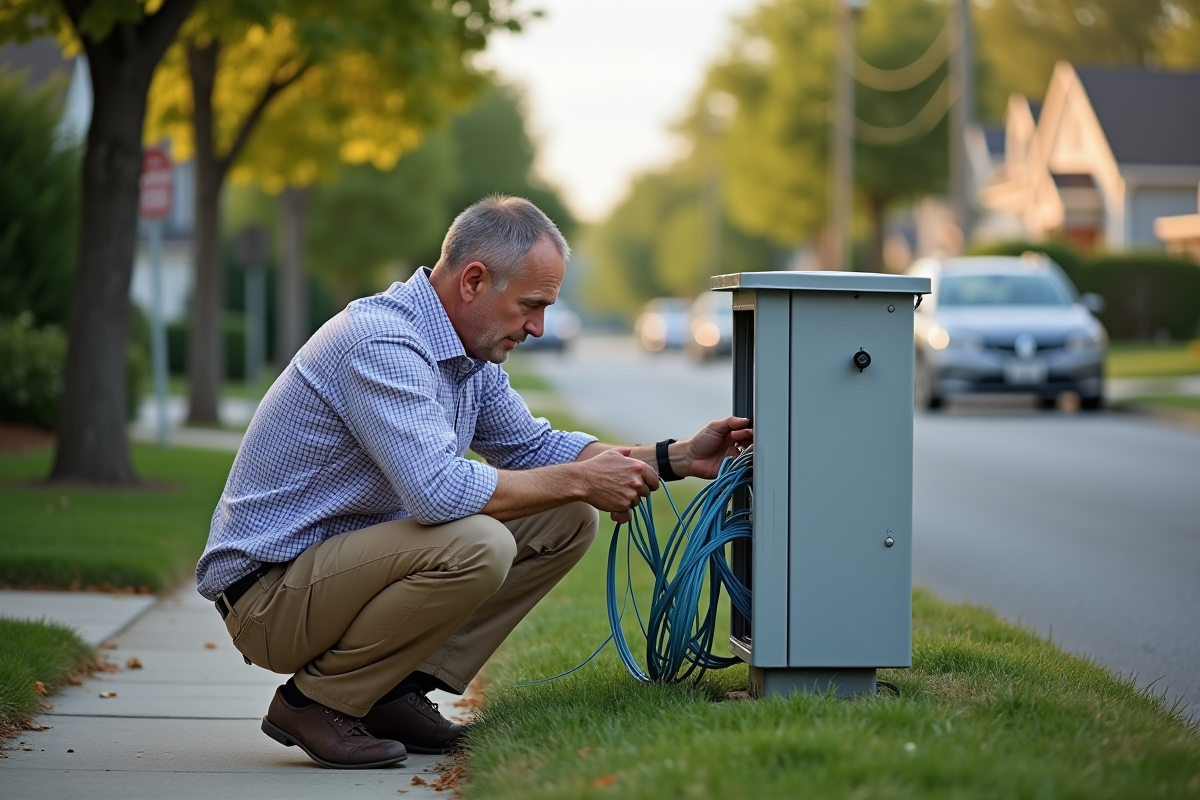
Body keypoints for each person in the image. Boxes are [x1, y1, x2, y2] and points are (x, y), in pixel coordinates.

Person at [196, 195, 753, 769]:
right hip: (268, 599)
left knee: (565, 517)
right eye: (530, 306)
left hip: (333, 576)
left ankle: (390, 693)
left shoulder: (467, 355)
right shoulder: (382, 342)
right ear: (474, 280)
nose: (538, 327)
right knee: (478, 545)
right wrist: (583, 478)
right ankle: (313, 702)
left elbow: (534, 448)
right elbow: (436, 491)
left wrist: (676, 458)